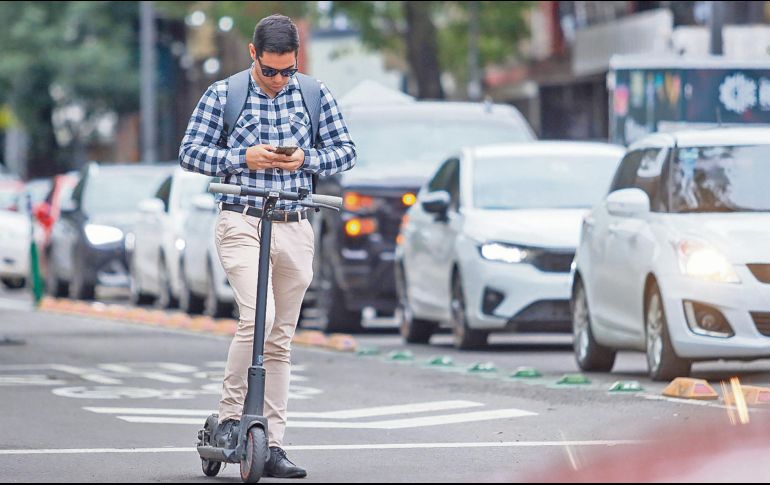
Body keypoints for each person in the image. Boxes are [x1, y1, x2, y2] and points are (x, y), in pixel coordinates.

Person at [179, 14, 356, 479]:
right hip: (241, 219)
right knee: (259, 317)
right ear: (253, 55)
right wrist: (242, 157)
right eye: (270, 71)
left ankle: (272, 443)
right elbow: (190, 151)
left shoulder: (315, 95)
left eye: (287, 71)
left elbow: (346, 151)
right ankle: (231, 419)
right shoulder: (224, 94)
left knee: (280, 338)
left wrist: (306, 157)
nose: (279, 80)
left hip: (295, 223)